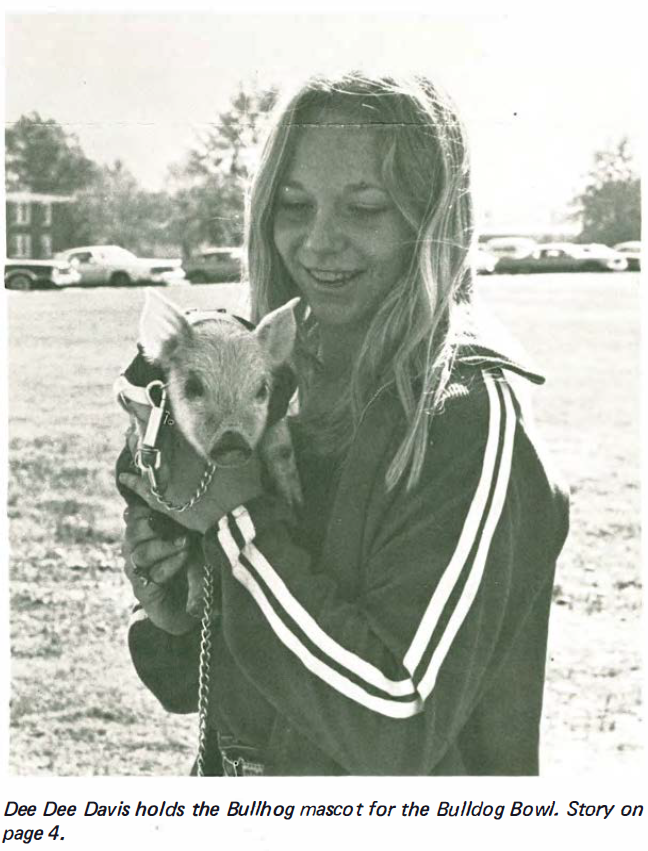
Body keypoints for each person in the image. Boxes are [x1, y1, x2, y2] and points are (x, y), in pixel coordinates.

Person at [118, 72, 569, 776]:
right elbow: (249, 691)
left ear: (432, 222)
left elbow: (395, 718)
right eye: (293, 204)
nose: (318, 242)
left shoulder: (470, 415)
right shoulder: (281, 384)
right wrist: (186, 614)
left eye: (364, 208)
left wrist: (236, 523)